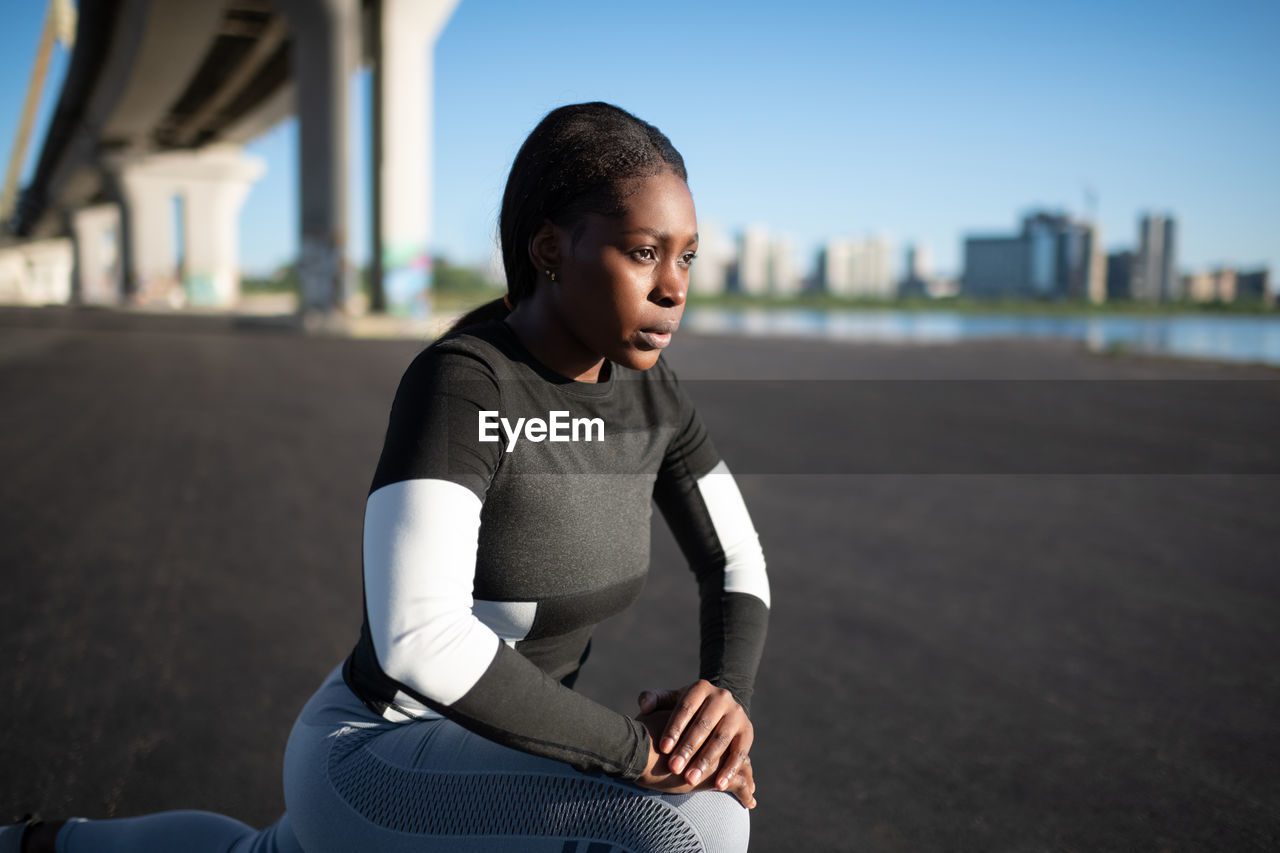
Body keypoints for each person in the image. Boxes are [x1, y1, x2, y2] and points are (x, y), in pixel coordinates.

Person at [3, 102, 770, 853]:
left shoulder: (653, 395)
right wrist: (642, 754)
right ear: (550, 249)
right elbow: (418, 636)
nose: (675, 286)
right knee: (695, 826)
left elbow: (734, 560)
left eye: (688, 256)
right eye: (643, 252)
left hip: (508, 756)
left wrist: (720, 707)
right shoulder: (466, 384)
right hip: (378, 749)